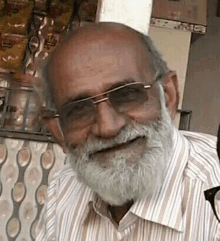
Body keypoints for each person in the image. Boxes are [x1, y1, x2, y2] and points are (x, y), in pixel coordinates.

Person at [36, 22, 220, 241]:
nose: (108, 127)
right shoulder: (64, 188)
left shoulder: (213, 192)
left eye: (127, 95)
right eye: (79, 110)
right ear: (58, 131)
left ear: (168, 97)